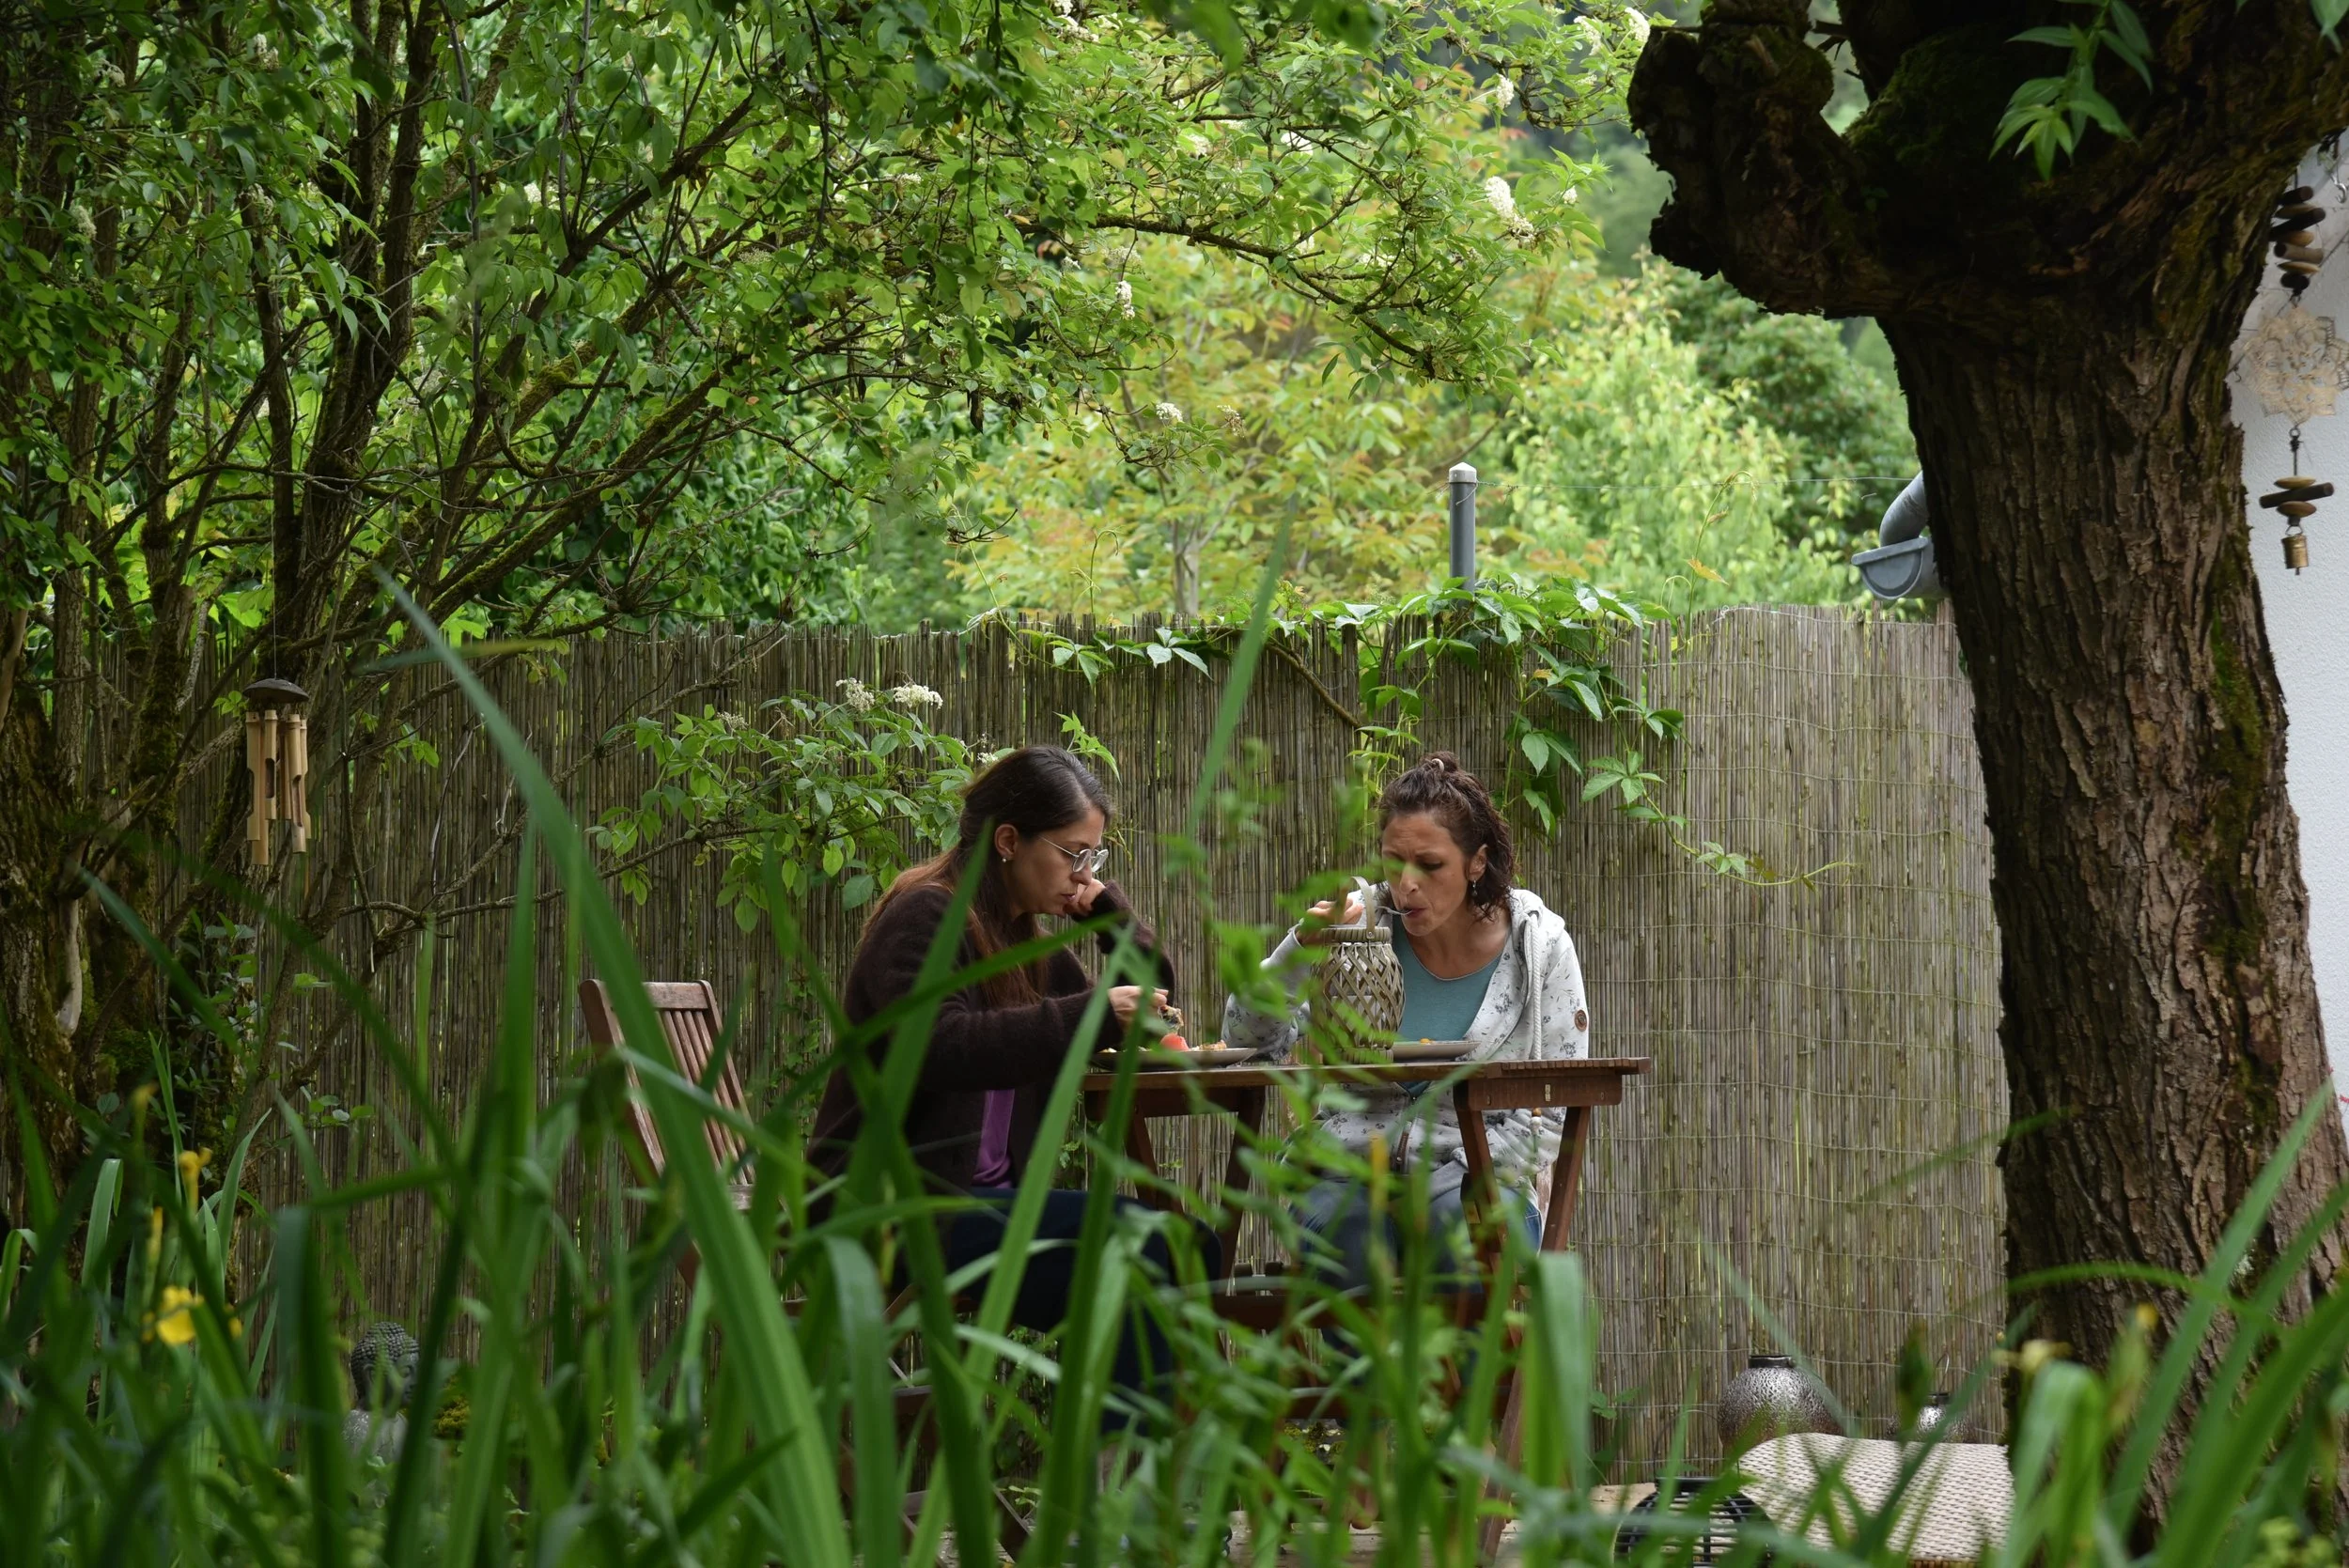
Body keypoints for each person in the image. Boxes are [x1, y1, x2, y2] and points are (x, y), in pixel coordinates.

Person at [809, 743, 1216, 1426]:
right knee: (1149, 1247)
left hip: (982, 1208)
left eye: (1094, 858)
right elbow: (937, 1046)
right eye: (1073, 853)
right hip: (896, 1211)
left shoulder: (1018, 939)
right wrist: (1091, 1013)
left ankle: (1116, 1486)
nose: (1082, 872)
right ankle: (1113, 1496)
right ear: (1008, 841)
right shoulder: (924, 917)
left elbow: (1149, 997)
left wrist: (1107, 916)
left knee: (1185, 1243)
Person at [1222, 752, 1591, 1294]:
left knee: (1453, 1230)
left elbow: (1555, 1106)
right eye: (1394, 863)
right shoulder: (1358, 930)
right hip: (1349, 1168)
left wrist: (1455, 1174)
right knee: (1346, 1235)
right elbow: (1246, 1040)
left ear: (1476, 862)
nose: (1406, 885)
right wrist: (1298, 949)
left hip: (1479, 1173)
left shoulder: (1538, 948)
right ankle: (1363, 1382)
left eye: (1430, 865)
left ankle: (1468, 1382)